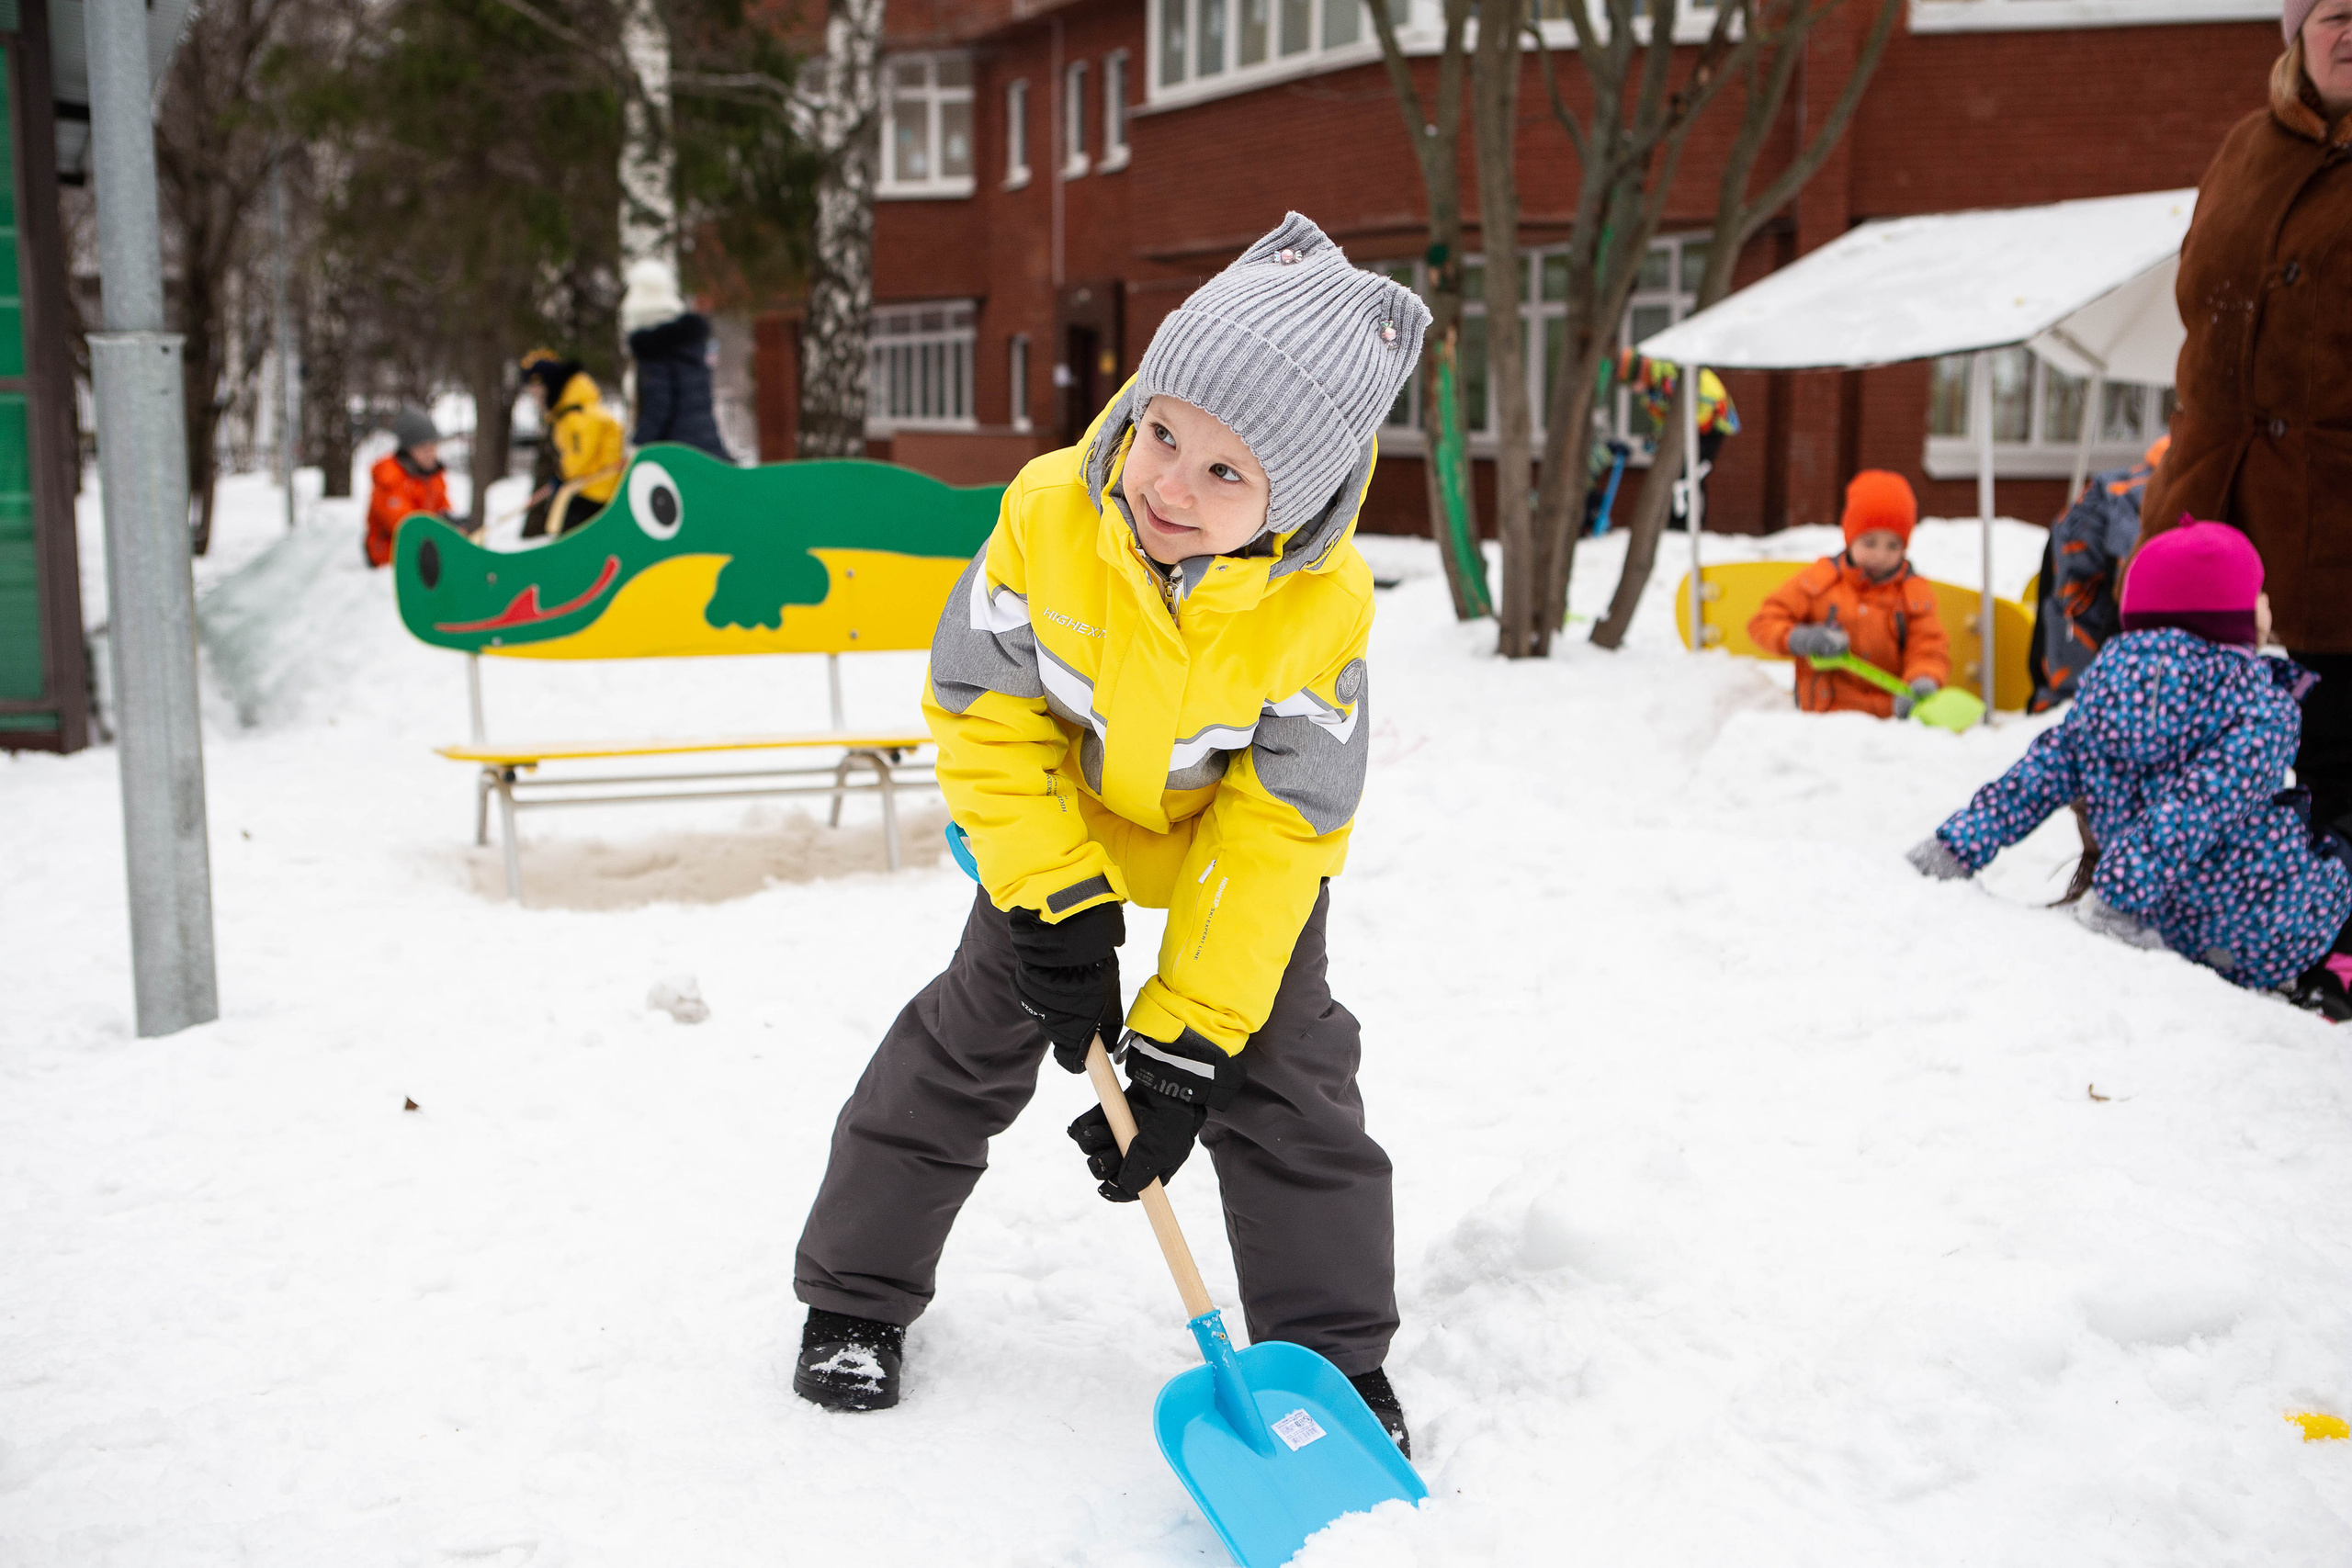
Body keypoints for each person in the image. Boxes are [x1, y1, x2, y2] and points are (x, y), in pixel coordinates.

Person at [788, 213, 1428, 1452]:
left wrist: (1187, 1043)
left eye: (1225, 474)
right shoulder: (1047, 515)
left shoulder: (1321, 606)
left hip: (1227, 857)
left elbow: (1286, 819)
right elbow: (981, 709)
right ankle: (853, 1296)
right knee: (967, 1038)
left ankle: (1335, 1361)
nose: (1169, 482)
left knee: (1288, 1076)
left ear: (1291, 502)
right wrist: (1054, 905)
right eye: (1164, 431)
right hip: (1062, 822)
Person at [1908, 521, 2352, 1018]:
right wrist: (2117, 900)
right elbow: (2193, 811)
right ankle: (2323, 970)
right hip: (2248, 929)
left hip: (2154, 910)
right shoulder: (2258, 707)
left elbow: (2032, 781)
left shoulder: (2106, 688)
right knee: (2340, 851)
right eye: (2258, 593)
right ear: (2233, 616)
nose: (2267, 602)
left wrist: (1952, 848)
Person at [2136, 0, 2352, 835]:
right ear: (2298, 30)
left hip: (2335, 530)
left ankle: (2329, 943)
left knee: (2334, 754)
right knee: (2176, 741)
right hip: (2207, 505)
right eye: (2334, 13)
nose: (2350, 33)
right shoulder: (2244, 150)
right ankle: (2165, 914)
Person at [1747, 469, 1951, 718]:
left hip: (1888, 723)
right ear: (1850, 537)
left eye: (1893, 545)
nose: (1880, 555)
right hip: (1820, 720)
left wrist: (1923, 679)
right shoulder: (1819, 583)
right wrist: (1801, 638)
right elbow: (1764, 621)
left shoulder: (1913, 594)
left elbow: (1928, 647)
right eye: (1870, 543)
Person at [2028, 436, 2168, 713]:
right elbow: (2131, 579)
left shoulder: (2142, 483)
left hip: (2083, 567)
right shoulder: (2146, 492)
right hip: (2090, 580)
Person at [1611, 347, 1738, 530]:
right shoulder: (1653, 392)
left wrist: (1690, 425)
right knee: (1677, 471)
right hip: (1688, 430)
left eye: (1631, 383)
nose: (1633, 389)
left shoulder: (1667, 373)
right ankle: (1676, 519)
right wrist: (1657, 439)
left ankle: (1689, 521)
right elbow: (1662, 420)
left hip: (1713, 423)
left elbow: (1705, 400)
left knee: (1692, 472)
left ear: (1638, 373)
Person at [621, 259, 734, 463]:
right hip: (704, 446)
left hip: (676, 453)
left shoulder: (654, 348)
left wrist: (637, 445)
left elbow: (659, 404)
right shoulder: (689, 346)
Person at [517, 349, 623, 538]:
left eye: (537, 392)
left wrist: (562, 476)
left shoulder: (576, 414)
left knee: (570, 540)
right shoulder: (568, 411)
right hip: (588, 488)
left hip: (597, 492)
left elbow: (580, 456)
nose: (535, 398)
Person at [362, 407, 454, 569]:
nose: (430, 453)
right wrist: (440, 525)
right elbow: (404, 525)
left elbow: (443, 507)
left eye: (432, 446)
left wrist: (452, 522)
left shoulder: (432, 476)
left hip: (423, 550)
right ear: (408, 449)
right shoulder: (389, 476)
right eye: (422, 447)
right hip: (388, 555)